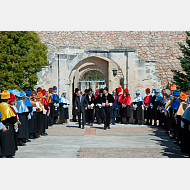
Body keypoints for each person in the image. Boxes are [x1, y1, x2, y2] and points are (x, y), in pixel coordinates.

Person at [0, 91, 17, 158]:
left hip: (1, 125)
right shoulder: (7, 106)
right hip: (8, 125)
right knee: (8, 140)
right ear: (8, 99)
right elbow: (11, 117)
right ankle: (8, 153)